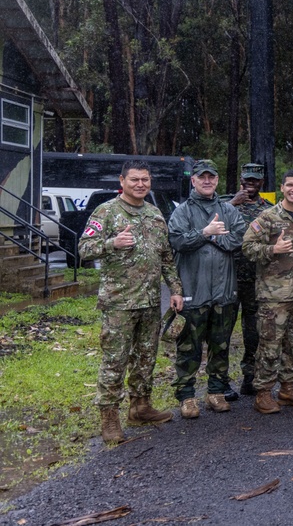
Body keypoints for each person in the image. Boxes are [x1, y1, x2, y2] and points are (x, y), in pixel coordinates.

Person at [79, 160, 183, 444]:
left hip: (149, 301)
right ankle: (109, 416)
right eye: (135, 179)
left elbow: (165, 256)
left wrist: (175, 289)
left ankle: (140, 406)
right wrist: (113, 243)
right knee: (115, 361)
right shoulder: (107, 212)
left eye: (145, 180)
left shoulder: (154, 214)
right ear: (122, 180)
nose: (141, 184)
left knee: (145, 357)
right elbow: (84, 249)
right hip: (119, 304)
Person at [241, 170, 293, 414]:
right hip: (274, 296)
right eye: (290, 185)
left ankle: (287, 389)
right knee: (270, 345)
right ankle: (264, 393)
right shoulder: (267, 217)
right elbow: (247, 247)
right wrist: (272, 249)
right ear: (282, 187)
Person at [168, 159, 247, 418]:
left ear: (216, 180)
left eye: (211, 177)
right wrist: (205, 232)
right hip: (193, 292)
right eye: (202, 177)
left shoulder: (228, 210)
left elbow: (239, 238)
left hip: (223, 292)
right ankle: (187, 396)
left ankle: (216, 391)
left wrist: (210, 236)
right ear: (193, 180)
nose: (207, 181)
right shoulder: (182, 212)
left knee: (220, 346)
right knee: (189, 348)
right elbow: (178, 241)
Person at [224, 163, 273, 397]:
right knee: (222, 332)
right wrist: (232, 203)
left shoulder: (268, 209)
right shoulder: (226, 204)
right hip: (228, 280)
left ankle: (250, 376)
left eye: (255, 180)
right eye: (247, 180)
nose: (250, 184)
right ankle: (221, 382)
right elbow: (210, 222)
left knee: (254, 333)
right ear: (241, 180)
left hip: (256, 281)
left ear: (262, 182)